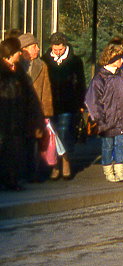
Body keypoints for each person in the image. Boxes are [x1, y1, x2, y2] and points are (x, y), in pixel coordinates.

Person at [85, 43, 123, 183]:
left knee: (120, 145)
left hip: (122, 119)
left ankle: (120, 172)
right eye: (120, 59)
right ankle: (108, 172)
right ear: (113, 59)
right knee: (107, 146)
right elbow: (93, 100)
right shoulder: (100, 78)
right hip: (106, 120)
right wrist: (99, 118)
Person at [0, 37, 40, 190]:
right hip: (4, 119)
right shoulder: (3, 70)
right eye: (17, 51)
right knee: (5, 150)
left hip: (17, 118)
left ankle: (12, 180)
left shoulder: (19, 71)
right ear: (10, 53)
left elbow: (28, 94)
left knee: (15, 151)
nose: (19, 54)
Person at [44, 32, 85, 179]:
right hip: (51, 104)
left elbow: (80, 84)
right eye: (55, 49)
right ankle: (55, 165)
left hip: (69, 104)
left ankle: (66, 162)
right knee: (52, 136)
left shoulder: (75, 61)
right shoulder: (45, 60)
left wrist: (81, 103)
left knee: (65, 134)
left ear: (65, 46)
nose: (57, 52)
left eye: (60, 49)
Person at [19, 33, 53, 182]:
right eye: (34, 46)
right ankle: (19, 173)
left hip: (36, 112)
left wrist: (47, 114)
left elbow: (46, 91)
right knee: (20, 144)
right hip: (20, 112)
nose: (38, 49)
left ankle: (33, 173)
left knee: (35, 145)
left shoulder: (42, 65)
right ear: (24, 49)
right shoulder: (16, 66)